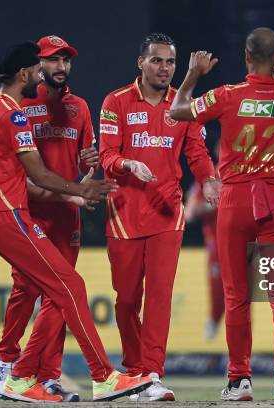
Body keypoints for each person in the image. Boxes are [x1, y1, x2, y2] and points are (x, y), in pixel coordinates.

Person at [0, 41, 152, 402]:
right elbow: (40, 175)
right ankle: (102, 376)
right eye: (38, 68)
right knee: (70, 287)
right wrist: (80, 191)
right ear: (24, 74)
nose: (41, 74)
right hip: (8, 213)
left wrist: (79, 181)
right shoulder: (15, 114)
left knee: (61, 290)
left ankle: (22, 377)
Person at [170, 27, 274, 401]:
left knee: (236, 296)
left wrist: (193, 75)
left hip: (235, 200)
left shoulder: (228, 95)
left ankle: (239, 380)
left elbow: (176, 111)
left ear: (247, 57)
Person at [98, 33, 219, 402]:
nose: (164, 68)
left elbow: (196, 151)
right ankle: (135, 371)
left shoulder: (183, 105)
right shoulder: (115, 102)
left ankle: (151, 373)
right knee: (127, 299)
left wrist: (210, 179)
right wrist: (127, 163)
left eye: (170, 62)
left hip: (168, 214)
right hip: (124, 215)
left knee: (160, 297)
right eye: (157, 61)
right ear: (141, 63)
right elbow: (106, 157)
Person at [0, 35, 99, 402]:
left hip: (66, 214)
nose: (61, 68)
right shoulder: (23, 104)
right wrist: (77, 190)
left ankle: (47, 374)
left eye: (66, 61)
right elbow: (22, 168)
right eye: (53, 60)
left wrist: (89, 168)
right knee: (27, 290)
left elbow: (87, 161)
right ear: (36, 66)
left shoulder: (80, 108)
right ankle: (8, 364)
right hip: (29, 210)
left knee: (61, 295)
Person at [183, 149, 223, 340]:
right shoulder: (210, 178)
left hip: (245, 244)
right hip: (217, 246)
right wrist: (214, 205)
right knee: (218, 291)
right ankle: (214, 319)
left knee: (244, 298)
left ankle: (243, 355)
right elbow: (189, 213)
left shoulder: (247, 173)